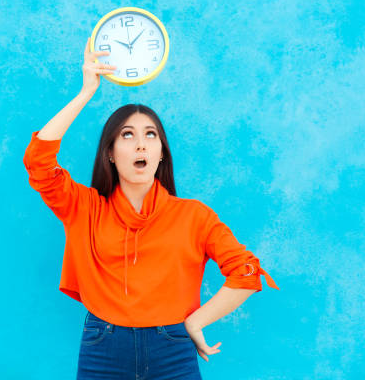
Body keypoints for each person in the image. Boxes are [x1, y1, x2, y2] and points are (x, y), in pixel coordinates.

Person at [23, 37, 280, 379]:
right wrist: (86, 92)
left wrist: (196, 321)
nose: (141, 142)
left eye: (151, 135)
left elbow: (246, 271)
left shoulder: (194, 216)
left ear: (161, 153)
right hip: (104, 348)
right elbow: (38, 162)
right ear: (111, 153)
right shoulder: (83, 208)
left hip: (173, 347)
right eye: (127, 135)